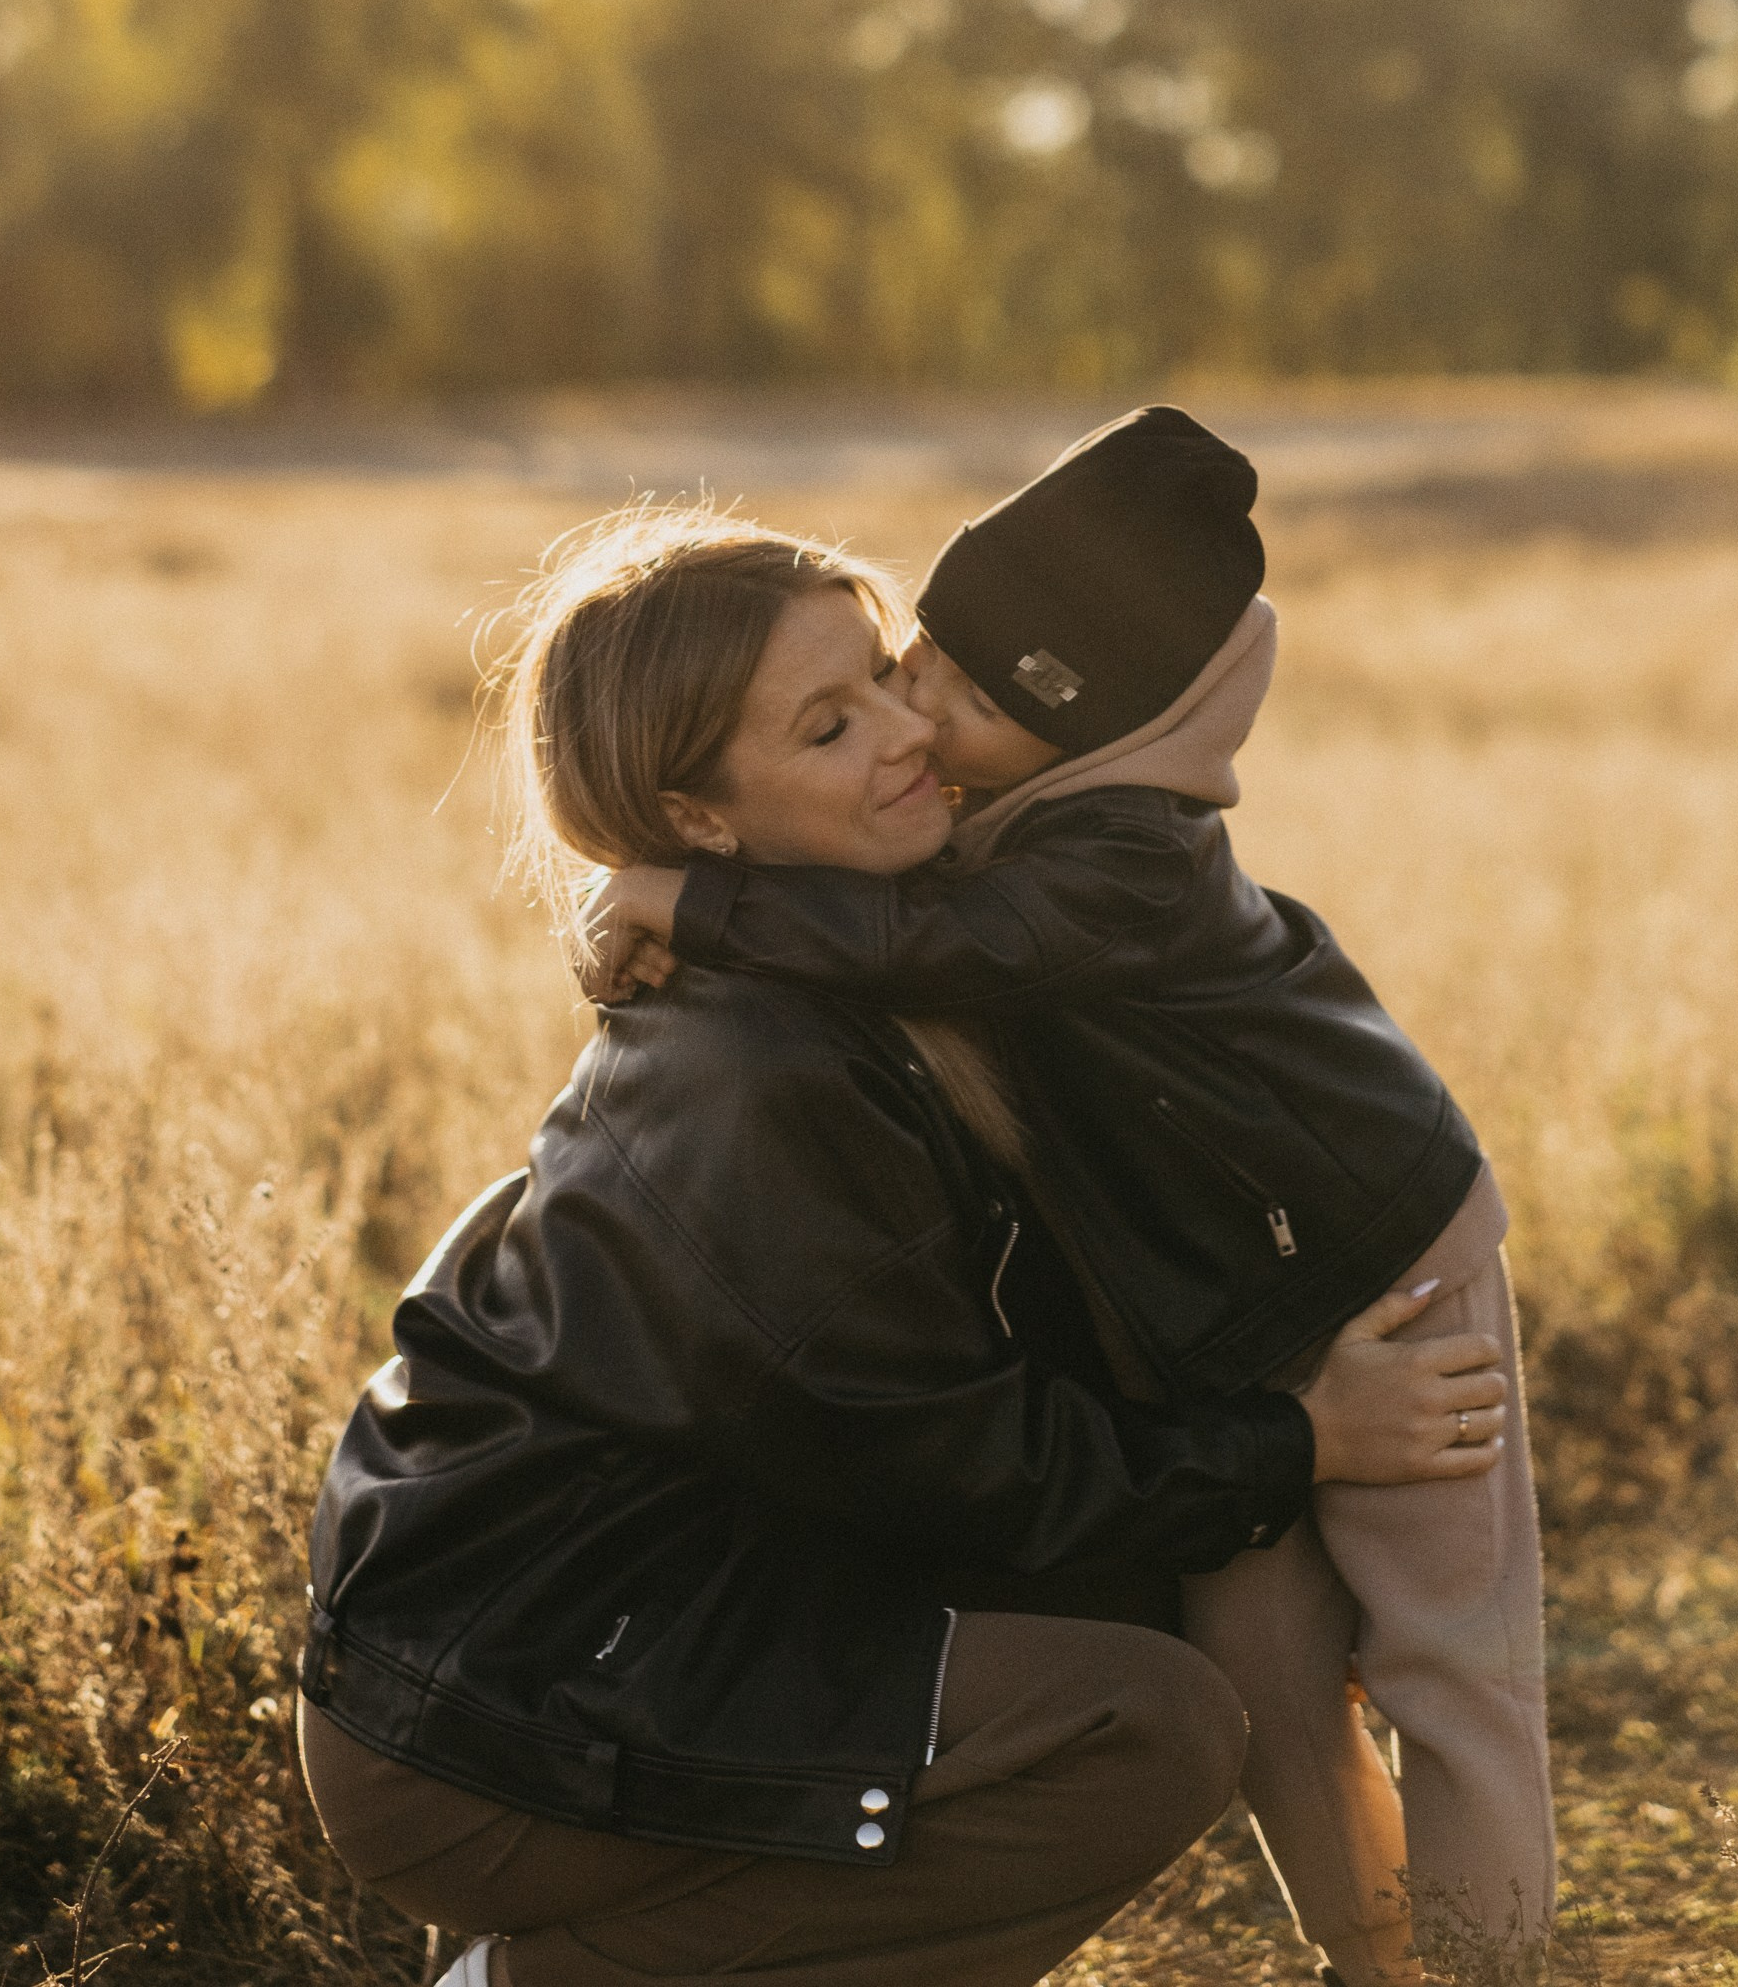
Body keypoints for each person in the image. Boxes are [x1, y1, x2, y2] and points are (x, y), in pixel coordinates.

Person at [299, 505, 1512, 1987]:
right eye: (827, 727)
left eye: (885, 673)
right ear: (698, 821)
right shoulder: (759, 1071)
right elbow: (968, 1466)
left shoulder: (929, 932)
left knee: (1145, 1606)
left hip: (683, 1611)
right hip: (499, 1703)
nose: (903, 730)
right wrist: (1295, 1440)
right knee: (1147, 1726)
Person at [596, 411, 1555, 1986]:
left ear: (1090, 726)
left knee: (1452, 1658)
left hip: (1384, 1259)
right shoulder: (990, 810)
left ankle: (1495, 1967)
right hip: (1211, 1308)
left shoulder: (1126, 855)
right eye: (920, 660)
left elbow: (939, 955)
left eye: (969, 700)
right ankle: (1376, 1959)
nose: (915, 711)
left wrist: (680, 898)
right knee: (1259, 1668)